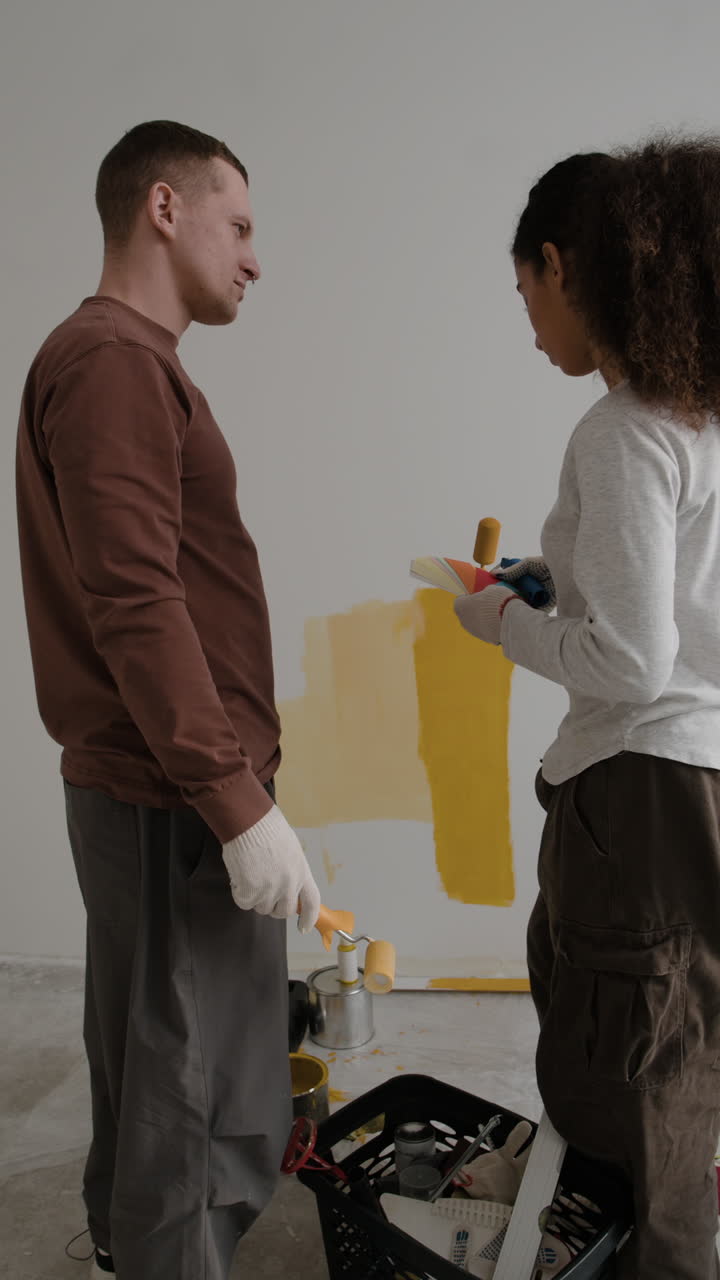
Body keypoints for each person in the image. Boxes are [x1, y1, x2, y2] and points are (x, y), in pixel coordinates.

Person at [15, 120, 321, 1280]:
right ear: (162, 208)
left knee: (158, 1066)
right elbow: (136, 601)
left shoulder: (121, 359)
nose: (253, 258)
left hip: (160, 785)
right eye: (237, 226)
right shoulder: (113, 363)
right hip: (173, 795)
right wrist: (235, 802)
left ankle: (125, 1247)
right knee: (197, 1096)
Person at [454, 137, 720, 1280]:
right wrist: (550, 579)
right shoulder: (700, 417)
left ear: (561, 264)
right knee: (685, 1064)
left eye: (524, 287)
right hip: (703, 779)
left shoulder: (621, 431)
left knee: (631, 1090)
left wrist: (497, 623)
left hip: (642, 794)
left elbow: (633, 658)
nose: (528, 322)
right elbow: (683, 600)